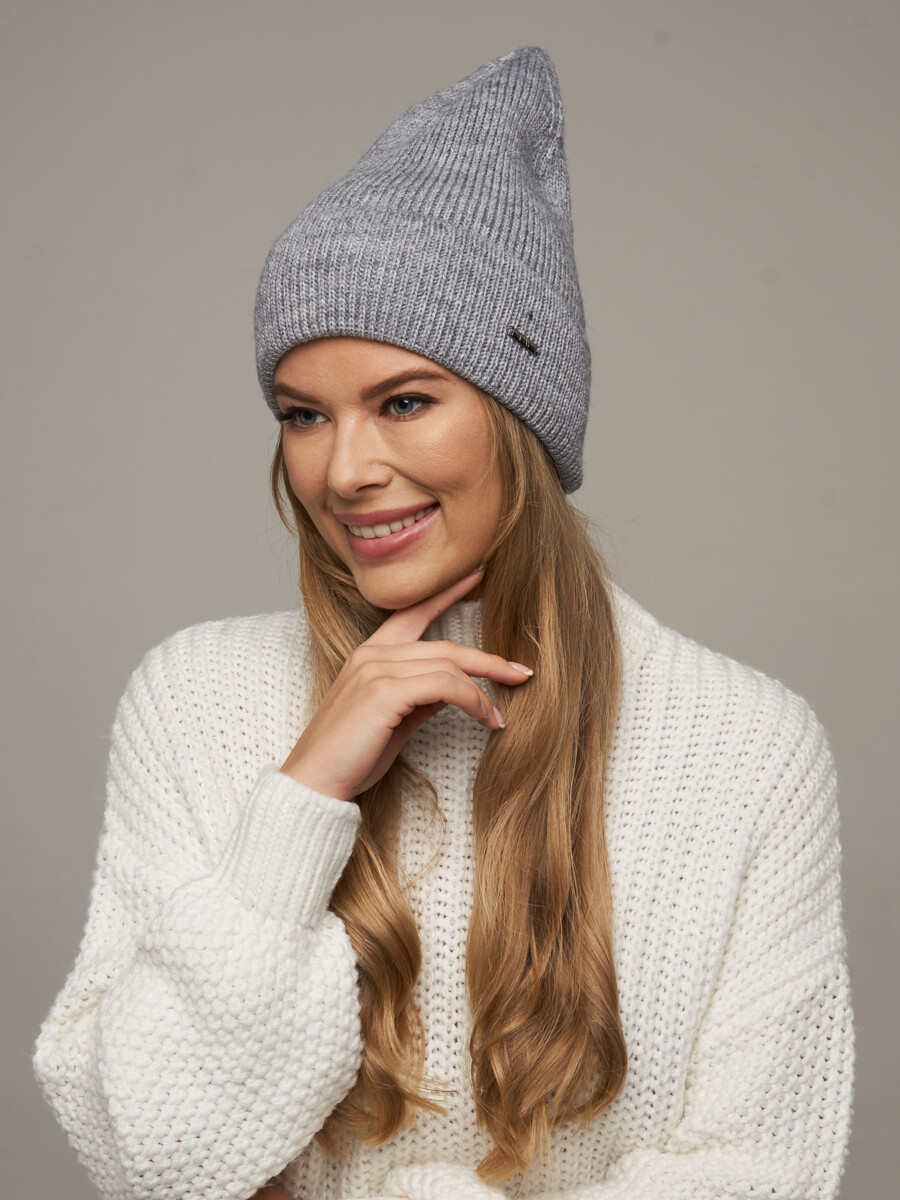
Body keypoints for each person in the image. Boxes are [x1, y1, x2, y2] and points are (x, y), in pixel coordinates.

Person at [33, 47, 853, 1200]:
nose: (344, 469)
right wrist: (304, 796)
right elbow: (159, 1157)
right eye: (303, 415)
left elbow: (762, 1174)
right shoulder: (198, 701)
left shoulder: (744, 744)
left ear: (524, 416)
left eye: (405, 401)